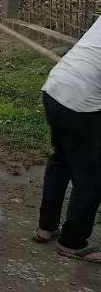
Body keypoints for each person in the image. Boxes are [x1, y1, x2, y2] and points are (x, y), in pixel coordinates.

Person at [34, 16, 101, 262]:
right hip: (81, 101)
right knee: (92, 176)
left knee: (61, 161)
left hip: (55, 87)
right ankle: (72, 242)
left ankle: (46, 227)